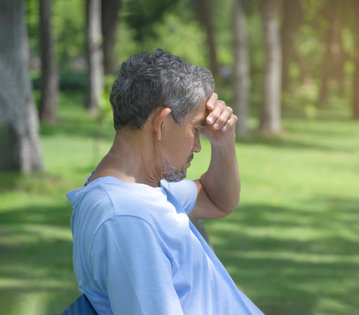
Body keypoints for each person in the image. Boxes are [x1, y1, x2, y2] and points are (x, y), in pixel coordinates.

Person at [66, 49, 263, 314]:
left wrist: (223, 143)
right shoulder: (126, 217)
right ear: (161, 122)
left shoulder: (143, 189)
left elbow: (218, 200)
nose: (197, 146)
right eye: (195, 129)